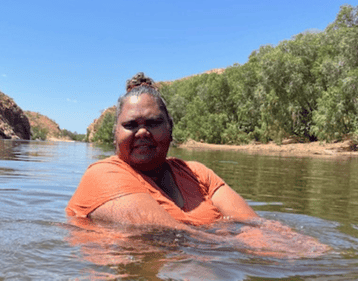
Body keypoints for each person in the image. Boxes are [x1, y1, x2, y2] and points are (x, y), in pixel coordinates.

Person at [66, 73, 258, 232]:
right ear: (115, 135)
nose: (142, 132)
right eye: (130, 125)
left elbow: (257, 226)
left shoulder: (197, 173)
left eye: (153, 123)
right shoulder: (102, 175)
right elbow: (170, 237)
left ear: (170, 129)